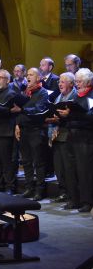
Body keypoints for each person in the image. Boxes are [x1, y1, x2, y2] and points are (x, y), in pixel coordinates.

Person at [57, 68, 93, 212]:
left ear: (88, 81)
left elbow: (90, 116)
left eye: (79, 81)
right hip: (71, 135)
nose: (77, 84)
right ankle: (74, 199)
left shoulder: (91, 95)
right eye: (76, 81)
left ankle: (86, 201)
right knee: (70, 169)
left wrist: (72, 114)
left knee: (84, 171)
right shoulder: (76, 95)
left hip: (86, 138)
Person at [12, 67, 49, 201]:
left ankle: (40, 190)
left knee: (38, 162)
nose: (28, 76)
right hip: (24, 130)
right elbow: (19, 113)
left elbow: (38, 109)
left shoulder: (43, 93)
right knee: (26, 161)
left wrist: (22, 108)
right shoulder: (25, 92)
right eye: (27, 74)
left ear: (38, 78)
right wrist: (17, 125)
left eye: (31, 74)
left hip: (36, 131)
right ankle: (29, 188)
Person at [45, 72, 77, 204]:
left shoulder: (75, 97)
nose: (60, 84)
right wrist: (52, 118)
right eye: (59, 82)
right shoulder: (59, 96)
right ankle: (63, 192)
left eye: (63, 82)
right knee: (59, 168)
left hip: (68, 136)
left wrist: (65, 116)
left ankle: (72, 196)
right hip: (56, 135)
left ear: (71, 83)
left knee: (68, 168)